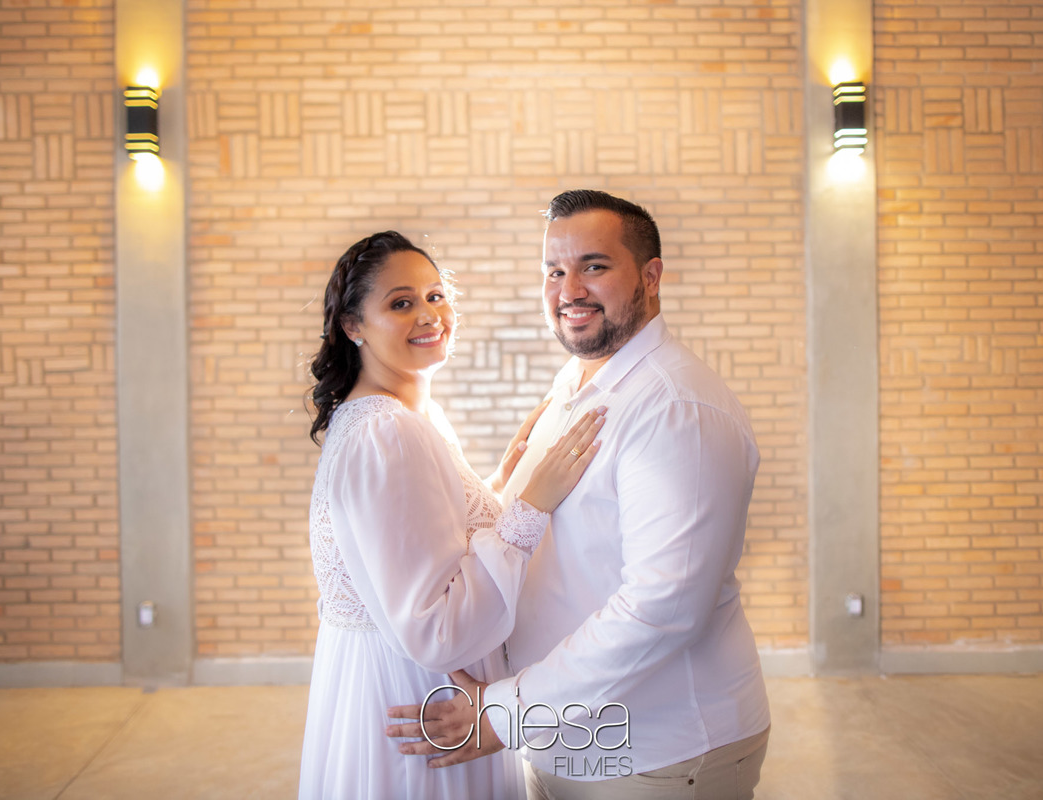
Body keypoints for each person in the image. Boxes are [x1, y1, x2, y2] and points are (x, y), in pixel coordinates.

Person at [387, 191, 771, 800]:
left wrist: (503, 713)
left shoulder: (675, 409)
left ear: (650, 276)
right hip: (565, 736)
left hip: (658, 751)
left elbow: (661, 609)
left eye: (594, 266)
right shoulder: (578, 381)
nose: (569, 290)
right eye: (554, 271)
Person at [299, 230, 606, 800]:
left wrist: (498, 484)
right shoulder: (387, 432)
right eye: (401, 302)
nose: (429, 315)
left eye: (435, 295)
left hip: (398, 684)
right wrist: (531, 505)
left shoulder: (398, 417)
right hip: (421, 697)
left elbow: (420, 539)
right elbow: (435, 628)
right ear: (353, 325)